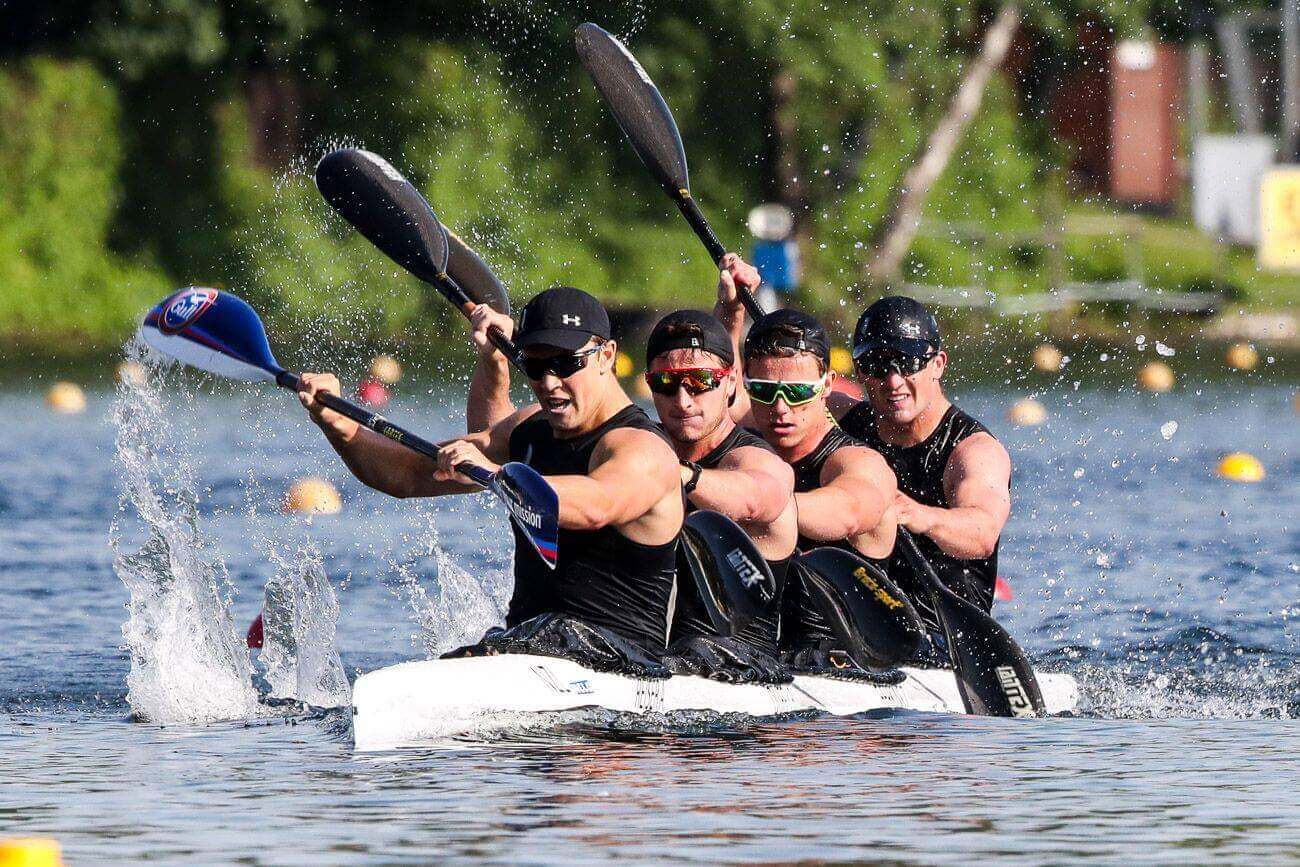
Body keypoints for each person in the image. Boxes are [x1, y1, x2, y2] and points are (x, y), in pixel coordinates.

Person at [298, 286, 685, 671]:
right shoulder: (530, 429)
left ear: (607, 355)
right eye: (536, 366)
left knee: (542, 634)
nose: (550, 383)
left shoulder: (642, 450)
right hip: (531, 650)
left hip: (625, 665)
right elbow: (403, 475)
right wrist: (337, 425)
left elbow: (598, 505)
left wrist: (498, 474)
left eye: (567, 364)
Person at [714, 257, 899, 667]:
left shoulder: (857, 463)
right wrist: (730, 311)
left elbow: (850, 512)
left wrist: (753, 501)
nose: (780, 408)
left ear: (826, 386)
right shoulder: (749, 437)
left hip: (843, 663)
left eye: (796, 392)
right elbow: (715, 388)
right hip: (763, 652)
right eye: (764, 391)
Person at [833, 296, 1012, 629]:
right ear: (859, 371)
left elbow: (982, 533)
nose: (893, 381)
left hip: (943, 629)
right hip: (862, 611)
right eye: (877, 365)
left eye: (908, 362)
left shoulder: (973, 451)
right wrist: (731, 313)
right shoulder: (843, 418)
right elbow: (734, 401)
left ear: (938, 364)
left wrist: (916, 514)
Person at [642, 309, 798, 662]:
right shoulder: (639, 443)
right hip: (662, 658)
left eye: (699, 381)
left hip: (746, 669)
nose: (682, 401)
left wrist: (683, 475)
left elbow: (760, 499)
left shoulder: (755, 459)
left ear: (730, 383)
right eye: (666, 383)